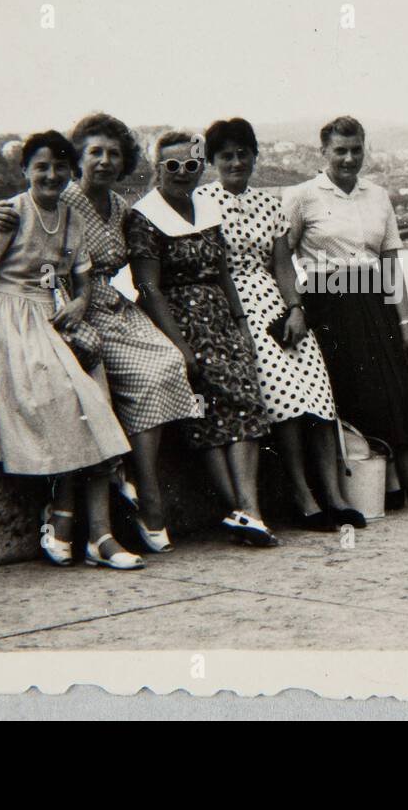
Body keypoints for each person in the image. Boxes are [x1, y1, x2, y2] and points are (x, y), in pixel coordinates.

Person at [0, 114, 202, 554]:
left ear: (124, 163)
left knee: (171, 362)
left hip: (111, 304)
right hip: (69, 308)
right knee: (144, 376)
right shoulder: (66, 198)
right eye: (95, 152)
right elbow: (17, 220)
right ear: (78, 159)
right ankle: (143, 491)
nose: (104, 161)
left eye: (113, 154)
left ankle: (133, 475)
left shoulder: (119, 207)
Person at [0, 130, 143, 570]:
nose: (51, 175)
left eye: (60, 167)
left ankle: (99, 535)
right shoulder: (11, 216)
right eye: (41, 166)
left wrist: (80, 303)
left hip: (50, 314)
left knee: (94, 402)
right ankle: (64, 517)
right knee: (66, 401)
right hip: (11, 319)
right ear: (25, 170)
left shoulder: (71, 217)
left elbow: (80, 283)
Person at [197, 118, 365, 531]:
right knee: (283, 391)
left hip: (273, 300)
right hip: (231, 305)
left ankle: (333, 495)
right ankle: (301, 495)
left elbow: (282, 264)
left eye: (243, 154)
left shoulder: (269, 204)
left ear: (255, 156)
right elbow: (214, 269)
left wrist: (295, 309)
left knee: (317, 386)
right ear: (213, 161)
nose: (236, 162)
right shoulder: (203, 201)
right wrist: (240, 319)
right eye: (226, 156)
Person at [128, 131, 279, 547]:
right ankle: (241, 509)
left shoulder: (206, 207)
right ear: (157, 169)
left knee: (246, 398)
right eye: (172, 166)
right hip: (179, 319)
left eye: (191, 165)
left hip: (219, 316)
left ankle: (249, 510)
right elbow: (149, 288)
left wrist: (242, 323)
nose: (182, 173)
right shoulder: (145, 216)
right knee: (207, 409)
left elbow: (223, 272)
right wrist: (179, 345)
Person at [283, 116, 408, 508]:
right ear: (323, 152)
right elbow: (282, 257)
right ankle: (368, 497)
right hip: (327, 303)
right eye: (340, 151)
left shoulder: (378, 195)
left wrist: (407, 325)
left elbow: (391, 264)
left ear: (365, 148)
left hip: (376, 302)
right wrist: (295, 307)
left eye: (356, 150)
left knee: (400, 398)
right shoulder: (301, 196)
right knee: (349, 398)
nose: (349, 158)